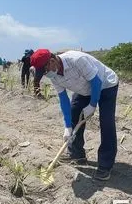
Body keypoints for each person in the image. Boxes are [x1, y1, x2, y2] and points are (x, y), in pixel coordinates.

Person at [30, 48, 119, 181]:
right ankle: (77, 155)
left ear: (52, 61)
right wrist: (67, 126)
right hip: (84, 90)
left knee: (106, 122)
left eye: (45, 71)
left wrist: (92, 105)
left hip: (106, 85)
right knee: (73, 113)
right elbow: (63, 99)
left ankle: (105, 165)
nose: (46, 75)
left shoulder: (77, 60)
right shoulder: (53, 74)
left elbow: (96, 82)